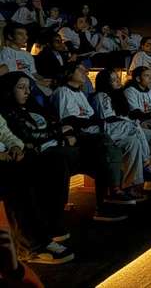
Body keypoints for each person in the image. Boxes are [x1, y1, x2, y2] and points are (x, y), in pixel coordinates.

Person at [1, 72, 127, 224]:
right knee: (70, 157)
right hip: (45, 150)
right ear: (9, 90)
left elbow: (56, 123)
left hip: (57, 142)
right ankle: (56, 220)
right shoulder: (9, 111)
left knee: (101, 142)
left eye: (29, 88)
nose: (27, 92)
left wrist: (63, 135)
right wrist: (60, 136)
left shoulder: (33, 106)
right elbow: (30, 136)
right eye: (21, 87)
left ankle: (107, 200)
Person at [52, 64, 137, 204]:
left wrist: (92, 122)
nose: (84, 72)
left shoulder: (79, 93)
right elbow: (68, 120)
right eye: (79, 70)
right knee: (107, 142)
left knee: (131, 138)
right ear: (69, 74)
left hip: (91, 129)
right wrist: (91, 123)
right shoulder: (62, 92)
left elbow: (90, 116)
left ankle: (128, 186)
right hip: (77, 133)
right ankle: (114, 190)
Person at [0, 107, 74, 266]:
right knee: (16, 176)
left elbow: (5, 132)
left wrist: (15, 146)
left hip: (7, 156)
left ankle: (51, 226)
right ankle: (30, 246)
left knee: (54, 162)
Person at [92, 69, 150, 201]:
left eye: (117, 78)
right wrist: (126, 122)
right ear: (106, 83)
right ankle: (146, 163)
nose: (118, 81)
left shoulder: (117, 95)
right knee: (134, 126)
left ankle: (130, 186)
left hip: (117, 130)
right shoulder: (101, 96)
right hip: (105, 131)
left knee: (133, 141)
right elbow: (107, 118)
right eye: (113, 80)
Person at [0, 24, 53, 98]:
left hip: (35, 85)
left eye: (26, 34)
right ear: (10, 36)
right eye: (20, 34)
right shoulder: (5, 53)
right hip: (21, 90)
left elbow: (34, 73)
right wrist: (36, 83)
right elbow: (9, 77)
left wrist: (44, 79)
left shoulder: (27, 54)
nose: (26, 37)